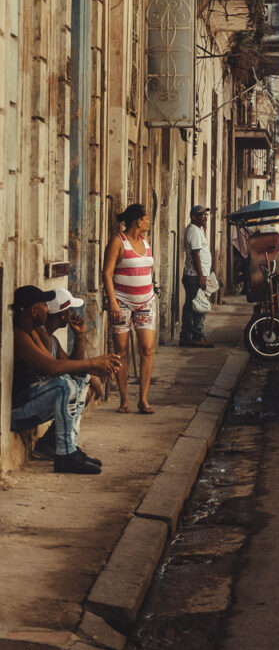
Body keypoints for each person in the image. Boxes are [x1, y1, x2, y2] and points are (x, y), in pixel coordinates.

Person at [10, 285, 119, 474]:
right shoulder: (20, 336)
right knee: (63, 386)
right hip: (18, 413)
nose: (46, 308)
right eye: (44, 304)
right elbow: (53, 368)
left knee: (76, 381)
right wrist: (93, 363)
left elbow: (69, 368)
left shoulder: (34, 332)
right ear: (34, 311)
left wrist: (89, 358)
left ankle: (68, 448)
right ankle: (66, 454)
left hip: (31, 406)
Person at [33, 288, 104, 460]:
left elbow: (74, 367)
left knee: (80, 383)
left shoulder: (52, 339)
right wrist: (92, 366)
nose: (72, 313)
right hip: (31, 402)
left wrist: (79, 336)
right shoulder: (41, 336)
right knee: (69, 387)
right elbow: (57, 368)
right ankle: (64, 448)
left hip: (42, 399)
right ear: (63, 315)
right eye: (69, 310)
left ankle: (53, 443)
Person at [102, 203, 157, 414]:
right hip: (122, 302)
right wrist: (113, 302)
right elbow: (107, 273)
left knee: (147, 349)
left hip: (146, 302)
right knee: (121, 351)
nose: (149, 222)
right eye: (147, 219)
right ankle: (124, 400)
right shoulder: (118, 241)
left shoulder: (145, 241)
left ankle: (143, 400)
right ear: (138, 221)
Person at [179, 205, 215, 349]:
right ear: (194, 217)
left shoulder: (197, 230)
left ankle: (187, 336)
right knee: (199, 306)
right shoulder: (193, 231)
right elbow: (196, 255)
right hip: (195, 276)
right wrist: (201, 276)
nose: (204, 217)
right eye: (201, 215)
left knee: (191, 306)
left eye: (205, 215)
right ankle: (197, 336)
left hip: (195, 275)